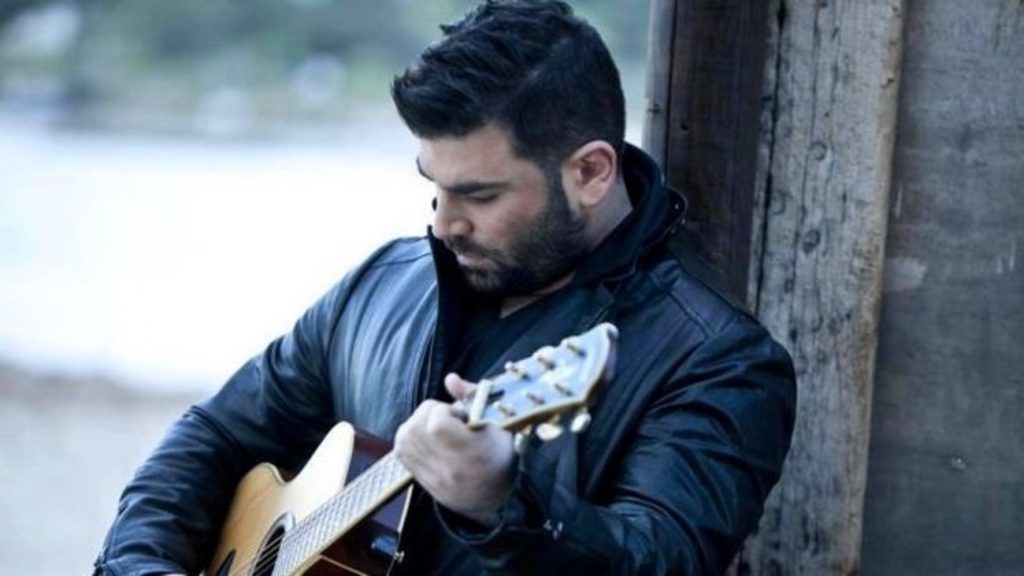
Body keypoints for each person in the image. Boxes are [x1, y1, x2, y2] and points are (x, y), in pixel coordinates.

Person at [93, 1, 796, 574]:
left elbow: (662, 560)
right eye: (434, 184)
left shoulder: (717, 360)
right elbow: (216, 434)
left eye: (480, 195)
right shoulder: (384, 281)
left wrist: (502, 508)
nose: (443, 223)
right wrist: (139, 565)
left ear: (589, 172)